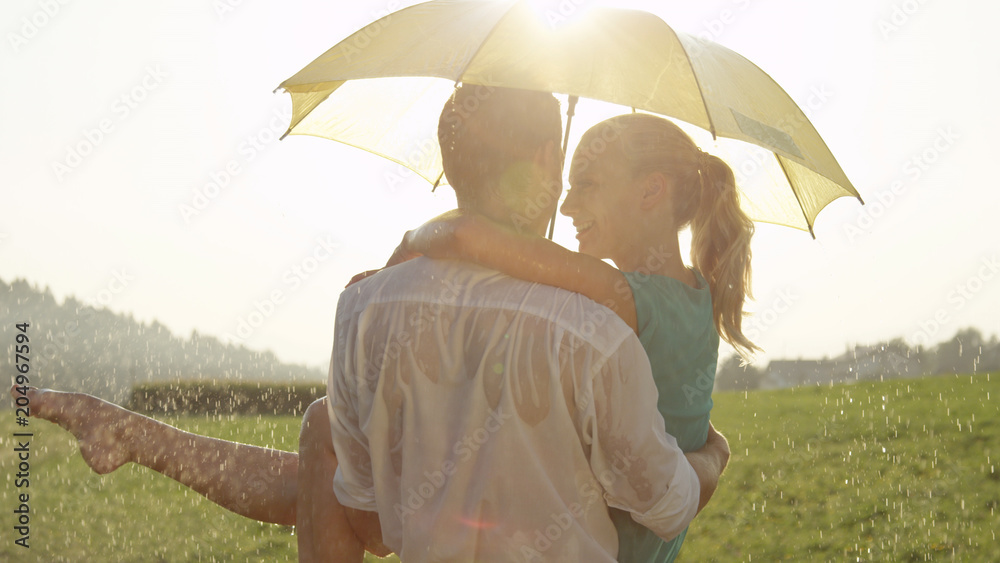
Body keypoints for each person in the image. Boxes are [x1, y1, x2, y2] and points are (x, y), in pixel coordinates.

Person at [14, 85, 731, 561]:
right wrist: (712, 458)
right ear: (545, 158)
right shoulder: (593, 333)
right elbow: (666, 504)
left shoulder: (366, 308)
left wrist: (430, 241)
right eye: (565, 177)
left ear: (450, 162)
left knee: (324, 431)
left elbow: (356, 510)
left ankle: (133, 431)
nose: (572, 201)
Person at [377, 110, 758, 562]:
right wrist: (714, 457)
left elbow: (464, 235)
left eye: (587, 184)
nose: (568, 206)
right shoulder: (697, 297)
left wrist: (405, 250)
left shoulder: (629, 298)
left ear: (652, 190)